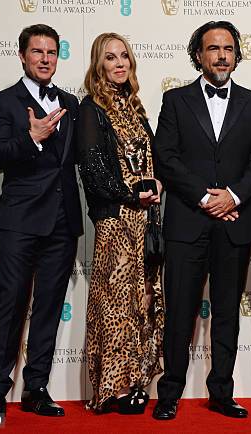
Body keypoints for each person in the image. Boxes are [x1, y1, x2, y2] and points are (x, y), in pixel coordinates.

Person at [152, 21, 251, 420]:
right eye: (212, 48)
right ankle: (169, 393)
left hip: (233, 224)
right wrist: (205, 198)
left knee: (226, 314)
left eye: (228, 49)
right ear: (198, 55)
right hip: (187, 224)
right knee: (180, 312)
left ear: (237, 55)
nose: (221, 55)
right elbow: (166, 157)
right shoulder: (175, 100)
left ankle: (222, 392)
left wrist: (232, 196)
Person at [0, 24, 83, 417]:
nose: (45, 59)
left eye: (52, 52)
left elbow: (80, 159)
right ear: (22, 55)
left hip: (61, 223)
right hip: (20, 222)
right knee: (10, 307)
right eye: (37, 52)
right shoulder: (4, 102)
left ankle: (36, 387)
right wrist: (32, 137)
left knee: (48, 308)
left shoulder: (71, 103)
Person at [75, 33, 164, 415]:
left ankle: (136, 383)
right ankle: (111, 389)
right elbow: (93, 171)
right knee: (115, 304)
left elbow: (149, 159)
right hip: (115, 222)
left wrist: (156, 182)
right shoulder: (91, 109)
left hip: (146, 220)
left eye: (124, 55)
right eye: (110, 58)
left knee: (142, 302)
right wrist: (132, 194)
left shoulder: (137, 108)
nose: (119, 63)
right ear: (99, 64)